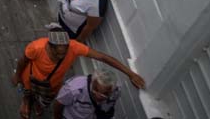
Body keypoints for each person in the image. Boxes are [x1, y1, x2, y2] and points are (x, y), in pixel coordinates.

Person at [12, 28, 144, 118]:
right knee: (28, 92)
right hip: (31, 78)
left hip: (52, 84)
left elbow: (103, 57)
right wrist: (17, 75)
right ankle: (26, 101)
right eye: (57, 53)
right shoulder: (35, 47)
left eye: (64, 53)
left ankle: (38, 104)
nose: (61, 56)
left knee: (45, 100)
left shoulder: (74, 47)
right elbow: (22, 61)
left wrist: (130, 73)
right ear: (49, 45)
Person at [52, 68, 121, 119]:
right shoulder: (74, 88)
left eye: (105, 94)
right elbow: (59, 103)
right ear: (92, 81)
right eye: (96, 90)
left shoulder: (116, 91)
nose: (99, 96)